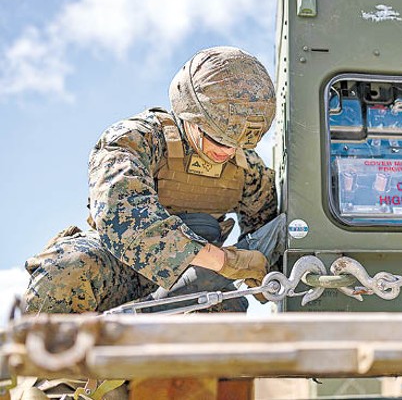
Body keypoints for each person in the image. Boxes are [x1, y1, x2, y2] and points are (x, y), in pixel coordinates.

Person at [24, 46, 283, 314]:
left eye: (237, 144)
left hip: (200, 281)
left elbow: (265, 237)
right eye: (217, 139)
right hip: (120, 268)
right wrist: (224, 260)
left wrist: (263, 273)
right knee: (68, 267)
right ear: (189, 113)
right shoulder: (137, 139)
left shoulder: (247, 169)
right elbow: (125, 220)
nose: (226, 152)